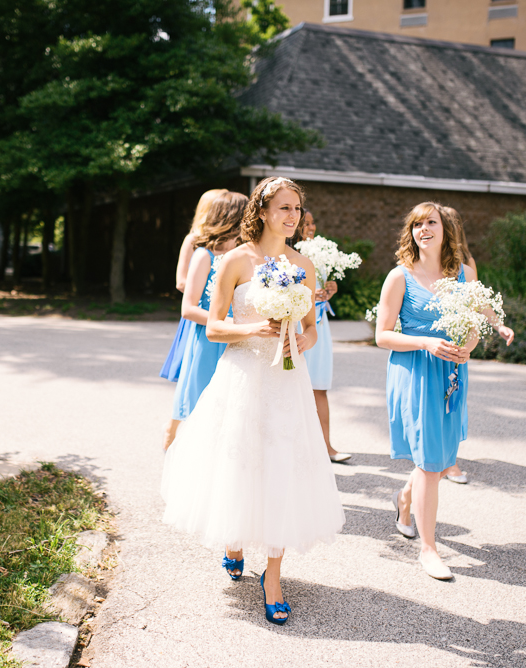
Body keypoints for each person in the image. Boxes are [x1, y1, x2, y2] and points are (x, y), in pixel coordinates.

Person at [162, 177, 345, 625]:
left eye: (297, 209)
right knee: (240, 460)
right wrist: (253, 330)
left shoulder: (304, 264)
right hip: (242, 373)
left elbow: (312, 327)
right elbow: (213, 327)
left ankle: (274, 575)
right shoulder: (234, 261)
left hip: (287, 380)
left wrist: (302, 340)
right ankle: (234, 537)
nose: (292, 216)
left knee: (283, 463)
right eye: (283, 208)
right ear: (262, 211)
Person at [376, 202, 511, 580]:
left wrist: (471, 343)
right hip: (416, 373)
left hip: (452, 374)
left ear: (444, 230)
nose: (424, 229)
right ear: (411, 233)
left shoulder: (462, 275)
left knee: (436, 458)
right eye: (417, 224)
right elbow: (382, 336)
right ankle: (428, 549)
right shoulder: (398, 277)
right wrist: (426, 343)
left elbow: (472, 320)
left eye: (430, 222)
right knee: (430, 463)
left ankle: (405, 500)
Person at [163, 192, 247, 450]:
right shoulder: (204, 255)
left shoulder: (243, 255)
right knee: (200, 398)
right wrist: (228, 322)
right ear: (233, 217)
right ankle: (174, 446)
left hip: (236, 338)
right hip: (208, 339)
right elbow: (188, 309)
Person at [439, 207, 514, 484]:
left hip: (458, 346)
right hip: (432, 344)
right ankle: (435, 458)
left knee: (453, 401)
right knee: (434, 403)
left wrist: (497, 324)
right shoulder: (421, 269)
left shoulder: (466, 270)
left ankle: (450, 461)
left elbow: (479, 302)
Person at [159, 189, 227, 383]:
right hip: (200, 308)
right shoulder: (193, 239)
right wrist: (208, 287)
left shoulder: (229, 243)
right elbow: (181, 281)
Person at [299, 211, 351, 464]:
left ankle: (326, 446)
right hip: (296, 324)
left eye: (311, 222)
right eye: (306, 223)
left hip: (319, 323)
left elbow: (323, 285)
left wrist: (329, 289)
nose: (311, 227)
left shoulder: (319, 252)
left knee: (319, 384)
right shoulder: (285, 254)